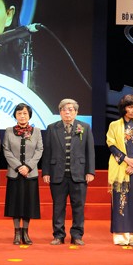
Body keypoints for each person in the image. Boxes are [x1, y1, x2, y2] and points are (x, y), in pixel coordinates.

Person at [42, 98, 95, 246]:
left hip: (78, 174)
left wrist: (90, 171)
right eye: (64, 109)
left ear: (76, 112)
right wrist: (46, 172)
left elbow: (90, 151)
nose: (67, 112)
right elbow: (47, 152)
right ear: (59, 112)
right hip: (57, 173)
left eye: (71, 109)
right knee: (58, 206)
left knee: (78, 206)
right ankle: (58, 235)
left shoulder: (84, 127)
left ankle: (77, 235)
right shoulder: (52, 128)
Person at [106, 94, 133, 246]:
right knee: (121, 200)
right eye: (130, 107)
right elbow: (111, 144)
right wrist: (126, 160)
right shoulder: (114, 125)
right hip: (120, 167)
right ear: (123, 108)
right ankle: (122, 236)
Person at [3, 103, 43, 245]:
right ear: (15, 115)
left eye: (25, 113)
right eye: (19, 113)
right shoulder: (9, 131)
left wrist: (28, 167)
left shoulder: (36, 131)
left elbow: (39, 150)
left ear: (29, 115)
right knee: (15, 204)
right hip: (15, 173)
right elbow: (6, 151)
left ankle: (25, 232)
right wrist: (19, 167)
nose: (22, 116)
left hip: (30, 174)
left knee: (28, 204)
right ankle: (16, 233)